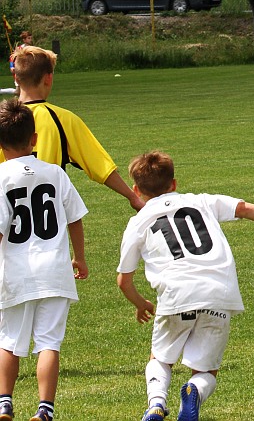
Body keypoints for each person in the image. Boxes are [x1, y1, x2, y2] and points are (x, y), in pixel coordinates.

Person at [116, 151, 254, 421]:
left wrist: (141, 304)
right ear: (174, 184)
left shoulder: (138, 223)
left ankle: (156, 405)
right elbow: (243, 208)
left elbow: (124, 280)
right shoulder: (200, 202)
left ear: (136, 190)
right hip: (219, 293)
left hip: (176, 295)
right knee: (206, 372)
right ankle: (194, 390)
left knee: (160, 358)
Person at [0, 100, 88, 421]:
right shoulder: (54, 173)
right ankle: (44, 409)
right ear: (34, 139)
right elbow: (75, 218)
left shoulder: (0, 177)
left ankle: (4, 402)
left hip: (14, 274)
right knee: (49, 343)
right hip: (55, 271)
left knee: (8, 341)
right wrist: (79, 258)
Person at [8, 46, 142, 210]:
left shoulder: (4, 118)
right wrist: (132, 197)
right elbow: (100, 166)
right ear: (48, 79)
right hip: (50, 223)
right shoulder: (63, 119)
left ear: (16, 77)